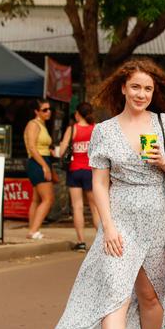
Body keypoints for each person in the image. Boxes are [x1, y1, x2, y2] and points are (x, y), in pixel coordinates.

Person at [43, 58, 165, 329]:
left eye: (148, 89)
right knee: (116, 290)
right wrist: (107, 226)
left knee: (150, 294)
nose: (141, 94)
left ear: (155, 92)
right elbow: (99, 183)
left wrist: (163, 161)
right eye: (136, 87)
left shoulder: (164, 124)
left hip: (155, 218)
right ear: (122, 87)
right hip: (119, 217)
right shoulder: (104, 130)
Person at [58, 102, 101, 251]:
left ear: (77, 114)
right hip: (91, 171)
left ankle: (81, 242)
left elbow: (61, 150)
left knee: (77, 207)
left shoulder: (72, 129)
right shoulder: (96, 128)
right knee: (95, 208)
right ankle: (101, 241)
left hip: (74, 170)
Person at [23, 100, 55, 239]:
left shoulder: (42, 125)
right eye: (44, 109)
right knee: (48, 199)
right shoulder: (33, 124)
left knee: (36, 199)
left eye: (49, 109)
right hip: (38, 161)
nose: (48, 112)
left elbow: (40, 145)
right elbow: (32, 147)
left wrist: (50, 152)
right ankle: (33, 230)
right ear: (36, 111)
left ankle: (32, 228)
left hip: (43, 159)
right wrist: (44, 166)